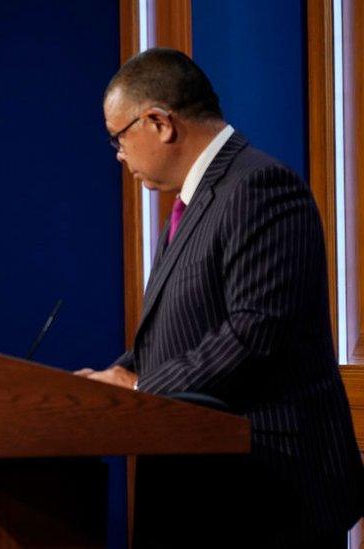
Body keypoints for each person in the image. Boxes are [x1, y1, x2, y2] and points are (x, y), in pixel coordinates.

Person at [75, 47, 364, 547]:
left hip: (267, 491)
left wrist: (141, 389)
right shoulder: (189, 204)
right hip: (203, 487)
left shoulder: (260, 186)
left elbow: (254, 331)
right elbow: (172, 339)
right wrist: (107, 385)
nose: (119, 155)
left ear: (160, 122)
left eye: (118, 137)